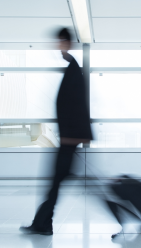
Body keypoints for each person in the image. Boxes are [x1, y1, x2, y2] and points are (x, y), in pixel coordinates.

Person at [20, 27, 93, 235]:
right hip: (70, 138)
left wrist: (74, 136)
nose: (58, 45)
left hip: (70, 139)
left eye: (61, 41)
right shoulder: (72, 66)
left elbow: (78, 105)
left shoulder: (74, 70)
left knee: (57, 183)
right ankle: (43, 224)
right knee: (57, 183)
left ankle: (42, 224)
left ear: (67, 42)